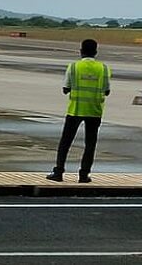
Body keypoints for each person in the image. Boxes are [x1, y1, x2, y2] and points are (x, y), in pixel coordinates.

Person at [46, 39, 110, 183]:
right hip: (94, 110)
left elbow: (65, 89)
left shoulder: (74, 67)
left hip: (75, 109)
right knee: (90, 144)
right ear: (96, 52)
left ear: (81, 52)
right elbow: (106, 91)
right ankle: (84, 175)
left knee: (65, 142)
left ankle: (59, 172)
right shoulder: (103, 68)